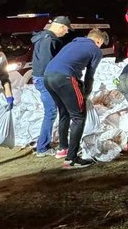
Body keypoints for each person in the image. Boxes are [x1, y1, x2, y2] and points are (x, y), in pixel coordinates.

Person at [44, 28, 108, 168]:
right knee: (79, 116)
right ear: (99, 40)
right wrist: (86, 93)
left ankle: (63, 149)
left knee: (64, 112)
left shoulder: (72, 44)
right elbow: (89, 75)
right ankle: (71, 159)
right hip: (65, 78)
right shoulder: (95, 50)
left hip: (48, 77)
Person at [31, 16, 71, 156]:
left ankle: (44, 144)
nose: (66, 33)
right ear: (60, 26)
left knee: (52, 111)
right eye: (66, 29)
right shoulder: (49, 40)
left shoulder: (42, 37)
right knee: (51, 112)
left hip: (40, 78)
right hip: (45, 79)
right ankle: (42, 148)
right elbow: (48, 64)